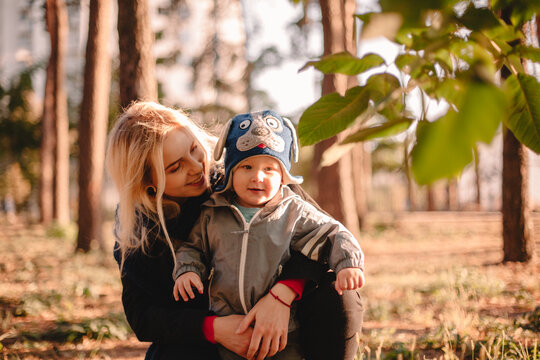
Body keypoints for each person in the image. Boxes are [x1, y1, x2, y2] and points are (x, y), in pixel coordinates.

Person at [106, 101, 363, 360]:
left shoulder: (245, 174)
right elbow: (144, 317)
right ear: (147, 181)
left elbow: (325, 235)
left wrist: (283, 293)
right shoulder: (137, 232)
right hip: (204, 339)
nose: (196, 167)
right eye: (176, 167)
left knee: (339, 297)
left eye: (194, 149)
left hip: (284, 325)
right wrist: (214, 329)